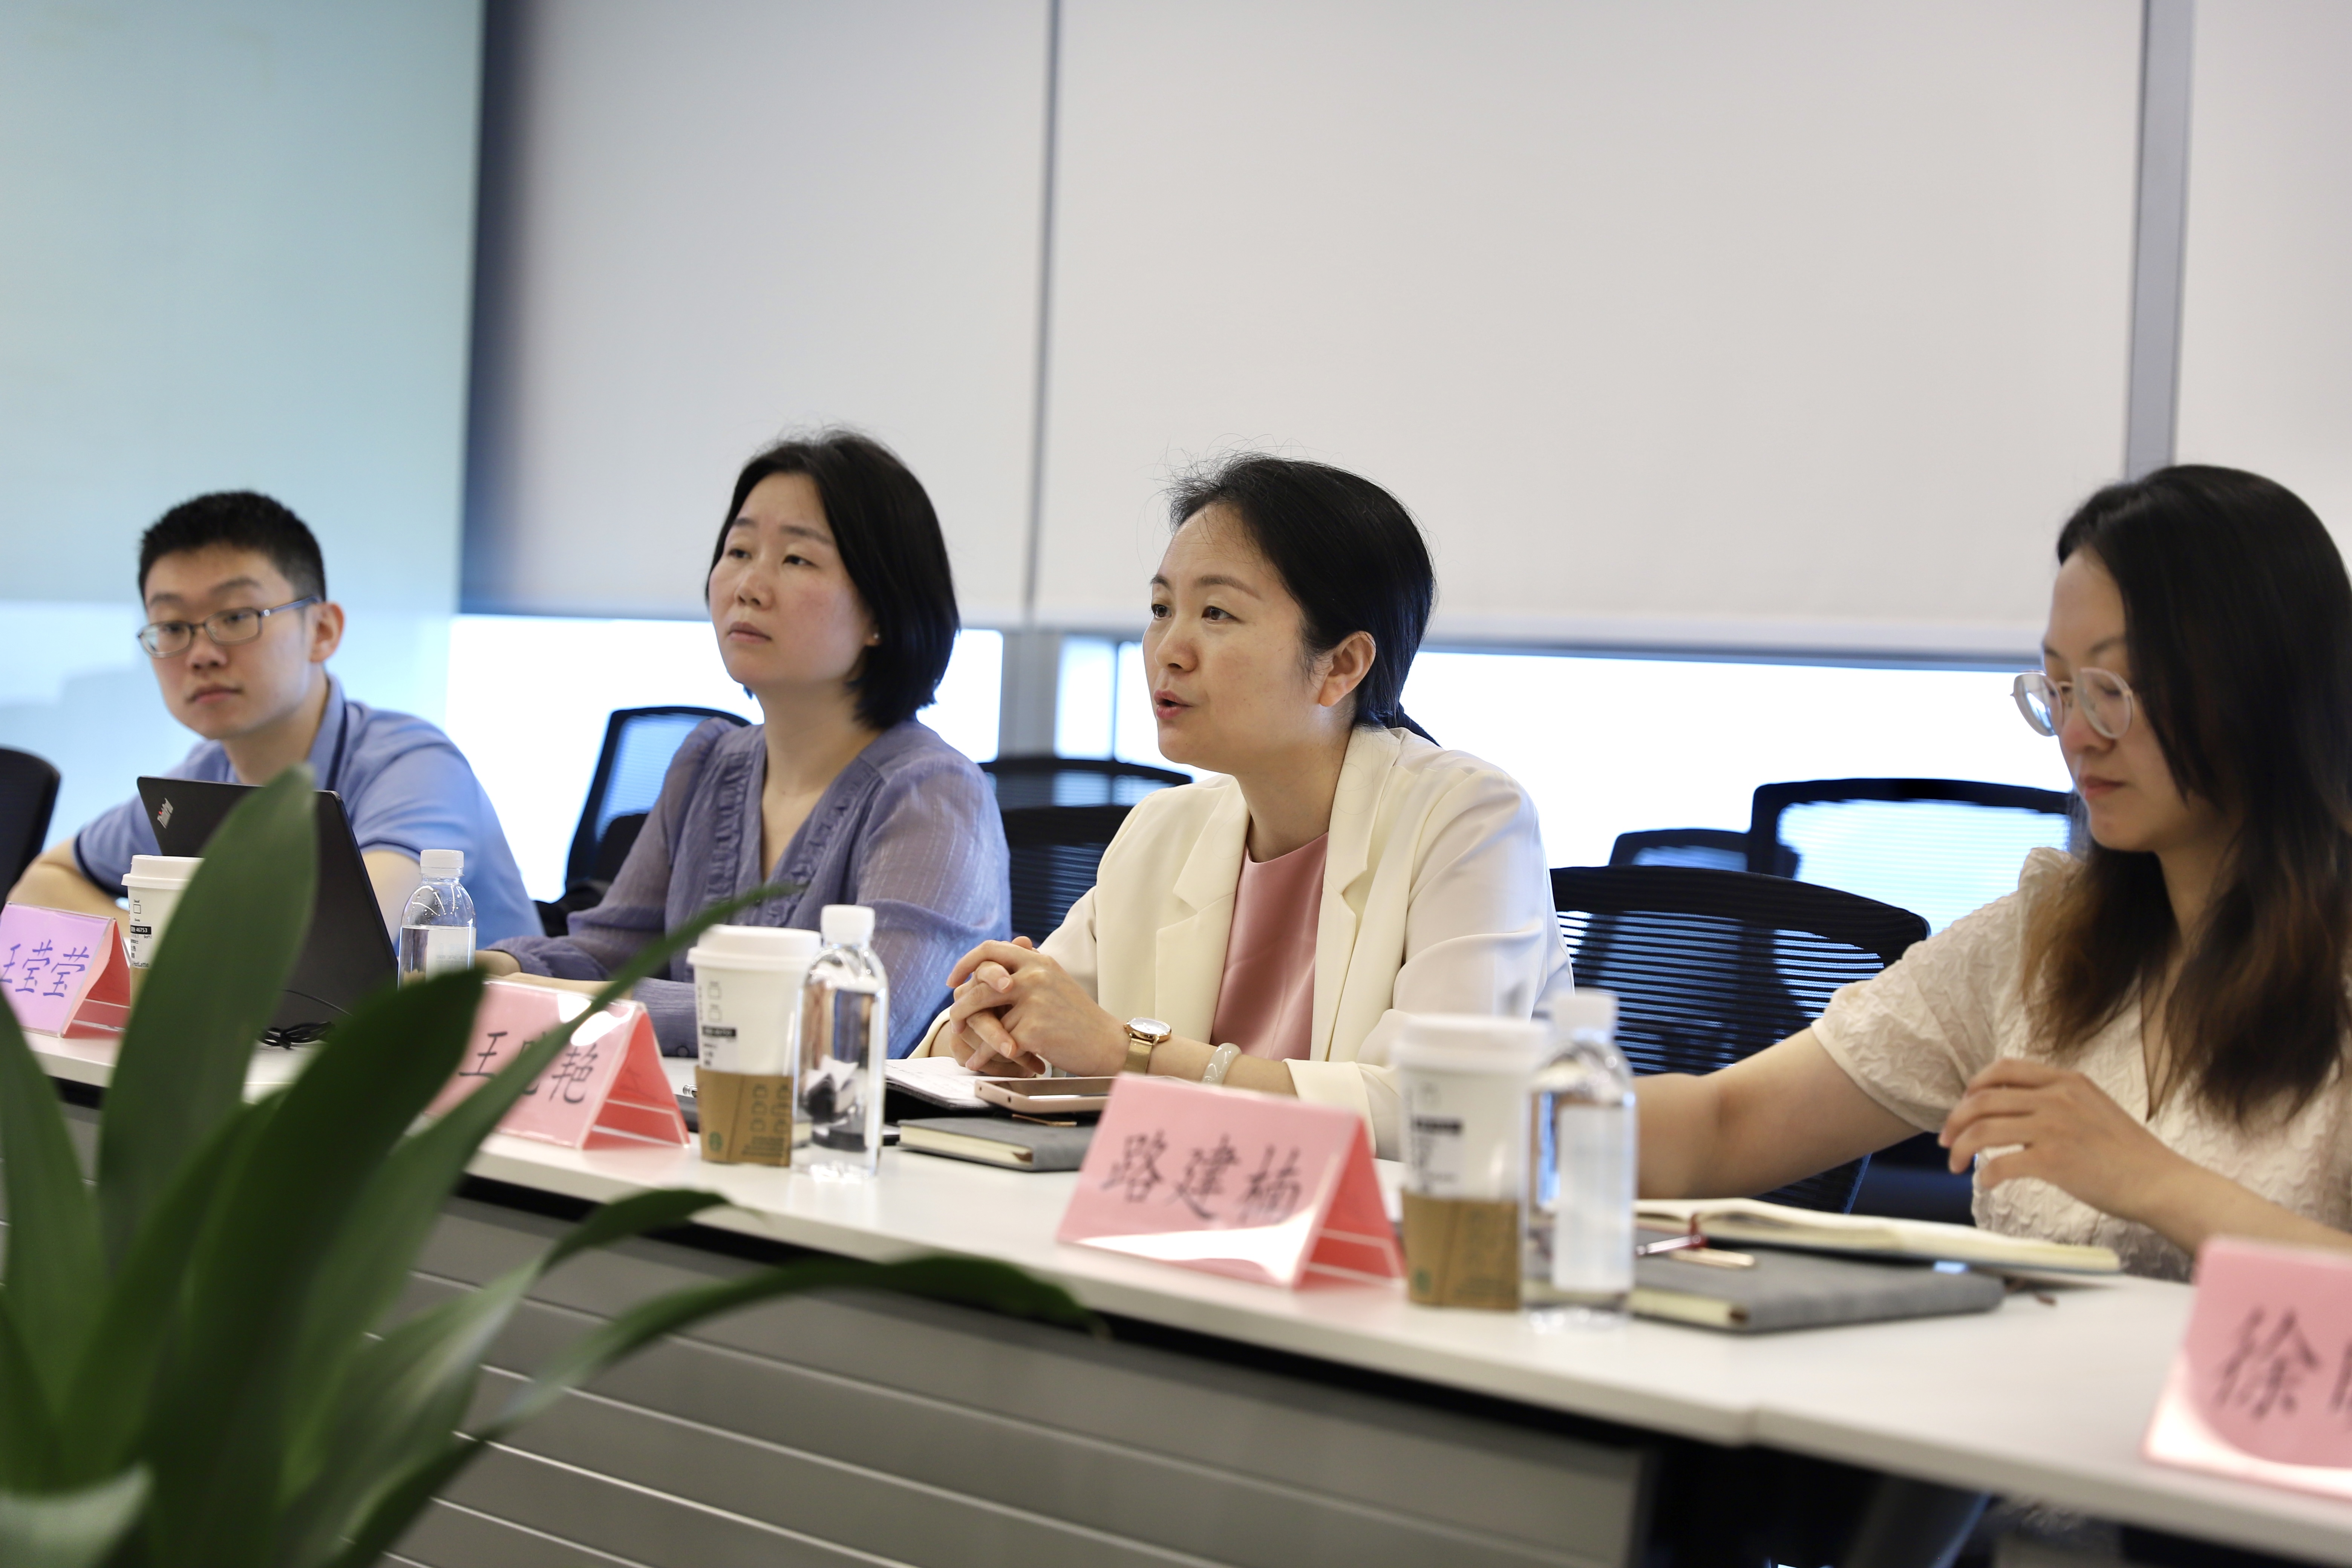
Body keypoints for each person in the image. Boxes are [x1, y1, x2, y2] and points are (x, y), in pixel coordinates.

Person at [1639, 466, 2352, 1279]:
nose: (2077, 733)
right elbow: (1725, 1125)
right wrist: (1538, 1105)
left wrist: (2155, 1184)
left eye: (2114, 687)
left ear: (2261, 686)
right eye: (2061, 688)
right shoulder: (2043, 942)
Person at [926, 454, 1572, 1158]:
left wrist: (1128, 1053)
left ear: (1342, 665)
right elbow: (1046, 1029)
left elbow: (1440, 1106)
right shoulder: (1164, 830)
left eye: (1217, 613)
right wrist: (990, 1026)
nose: (1169, 650)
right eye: (1161, 609)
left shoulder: (1469, 819)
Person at [483, 430, 1007, 1058]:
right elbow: (609, 953)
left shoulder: (933, 794)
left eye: (797, 560)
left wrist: (579, 1002)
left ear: (880, 613)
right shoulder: (708, 763)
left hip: (853, 1122)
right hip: (688, 1110)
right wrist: (496, 972)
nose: (749, 587)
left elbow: (852, 1025)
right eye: (738, 551)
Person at [9, 491, 537, 942]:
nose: (201, 654)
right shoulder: (202, 777)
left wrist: (169, 956)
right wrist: (152, 949)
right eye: (171, 627)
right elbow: (40, 885)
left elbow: (344, 940)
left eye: (237, 617)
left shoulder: (415, 767)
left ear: (322, 631)